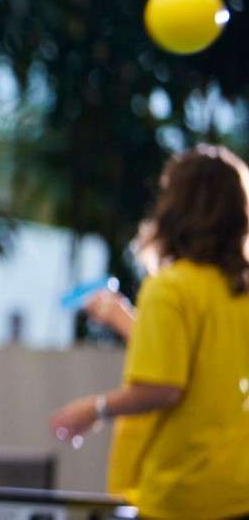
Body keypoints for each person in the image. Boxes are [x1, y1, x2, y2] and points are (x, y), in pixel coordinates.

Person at [50, 145, 249, 519]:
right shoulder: (239, 291)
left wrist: (94, 409)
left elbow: (165, 386)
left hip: (183, 493)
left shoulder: (170, 288)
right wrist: (124, 319)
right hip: (239, 491)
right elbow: (201, 362)